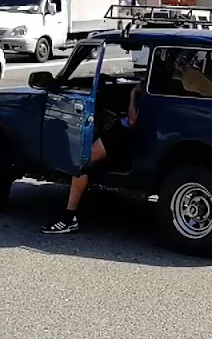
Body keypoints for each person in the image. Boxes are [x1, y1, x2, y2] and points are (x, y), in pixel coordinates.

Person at [43, 87, 140, 234]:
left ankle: (69, 216)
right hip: (117, 129)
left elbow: (132, 121)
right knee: (83, 156)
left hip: (121, 135)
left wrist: (133, 94)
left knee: (81, 164)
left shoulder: (144, 91)